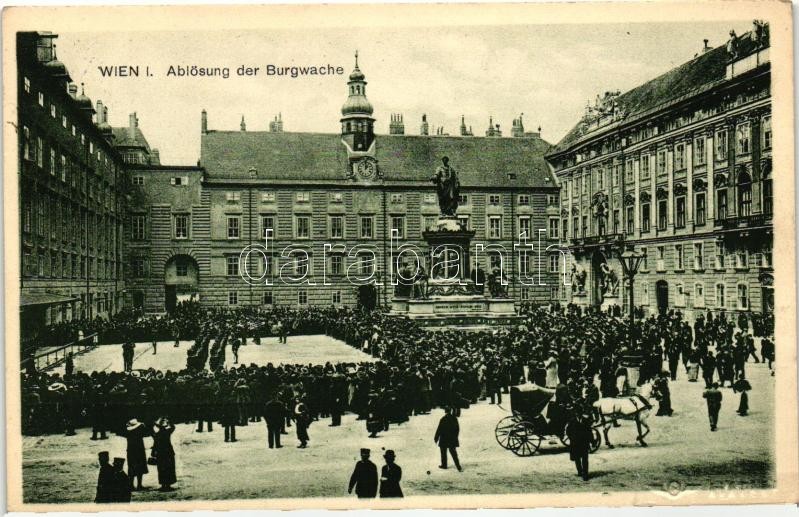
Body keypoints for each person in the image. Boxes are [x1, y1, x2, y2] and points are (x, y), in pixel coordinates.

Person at [152, 417, 177, 491]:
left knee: (161, 469)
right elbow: (173, 427)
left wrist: (153, 453)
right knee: (169, 468)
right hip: (168, 452)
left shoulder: (157, 434)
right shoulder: (167, 432)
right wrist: (169, 421)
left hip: (160, 453)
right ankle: (168, 484)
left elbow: (155, 444)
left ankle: (163, 485)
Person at [434, 407, 462, 471]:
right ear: (450, 411)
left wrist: (436, 438)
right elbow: (457, 429)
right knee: (453, 453)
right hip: (452, 438)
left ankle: (444, 465)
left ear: (445, 411)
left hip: (444, 438)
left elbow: (439, 429)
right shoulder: (454, 418)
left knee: (443, 452)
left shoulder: (443, 419)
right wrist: (455, 437)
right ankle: (458, 466)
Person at [123, 419, 149, 490]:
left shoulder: (128, 432)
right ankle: (139, 485)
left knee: (131, 467)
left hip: (131, 451)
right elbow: (147, 432)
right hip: (139, 450)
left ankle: (131, 485)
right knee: (140, 467)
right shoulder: (139, 430)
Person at [566, 412, 592, 481]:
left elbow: (589, 431)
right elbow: (568, 431)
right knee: (577, 459)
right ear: (576, 414)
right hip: (575, 443)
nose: (578, 415)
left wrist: (591, 441)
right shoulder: (572, 421)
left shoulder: (585, 420)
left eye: (579, 413)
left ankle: (585, 474)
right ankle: (580, 471)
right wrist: (572, 438)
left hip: (584, 443)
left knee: (585, 459)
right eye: (577, 413)